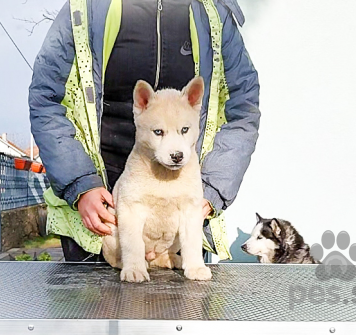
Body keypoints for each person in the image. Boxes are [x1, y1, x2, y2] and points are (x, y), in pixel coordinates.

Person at [29, 0, 260, 262]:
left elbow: (244, 109)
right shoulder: (86, 8)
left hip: (182, 212)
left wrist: (212, 188)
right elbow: (46, 98)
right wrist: (80, 183)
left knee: (189, 302)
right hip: (99, 214)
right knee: (93, 302)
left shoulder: (213, 14)